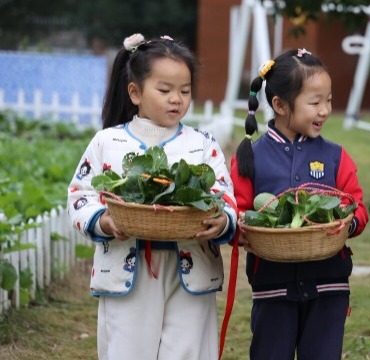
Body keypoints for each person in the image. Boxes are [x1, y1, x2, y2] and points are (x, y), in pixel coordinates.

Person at [67, 33, 237, 360]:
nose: (176, 99)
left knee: (189, 350)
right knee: (128, 351)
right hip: (126, 264)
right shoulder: (108, 142)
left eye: (185, 91)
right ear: (135, 92)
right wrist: (101, 220)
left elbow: (224, 197)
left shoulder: (202, 144)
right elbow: (80, 193)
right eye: (165, 90)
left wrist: (221, 220)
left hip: (192, 265)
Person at [230, 48, 369, 360]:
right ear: (279, 105)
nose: (324, 110)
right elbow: (237, 213)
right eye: (315, 102)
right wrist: (242, 228)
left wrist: (348, 222)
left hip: (329, 285)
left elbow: (357, 207)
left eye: (328, 100)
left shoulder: (336, 156)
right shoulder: (249, 158)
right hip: (272, 286)